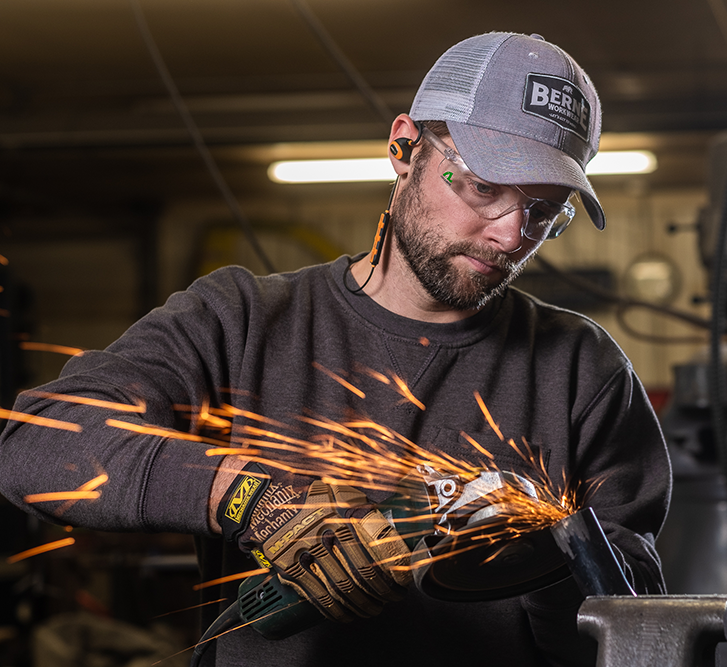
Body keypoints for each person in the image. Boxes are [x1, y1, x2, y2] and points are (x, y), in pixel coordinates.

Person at [0, 32, 670, 666]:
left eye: (543, 209)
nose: (507, 234)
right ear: (405, 147)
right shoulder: (244, 320)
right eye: (483, 187)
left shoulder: (585, 369)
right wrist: (247, 497)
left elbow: (625, 632)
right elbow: (39, 442)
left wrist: (546, 558)